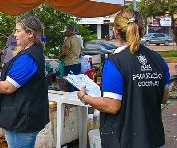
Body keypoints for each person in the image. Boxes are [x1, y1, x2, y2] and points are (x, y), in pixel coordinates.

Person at [77, 9, 170, 148]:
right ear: (143, 31)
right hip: (154, 138)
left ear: (115, 32)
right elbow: (163, 98)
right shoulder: (159, 60)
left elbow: (111, 105)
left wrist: (84, 97)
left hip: (125, 140)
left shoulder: (115, 62)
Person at [0, 14, 49, 148]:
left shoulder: (28, 57)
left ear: (30, 33)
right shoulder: (31, 52)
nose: (15, 35)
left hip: (22, 120)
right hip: (26, 116)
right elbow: (16, 77)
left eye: (18, 31)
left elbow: (8, 87)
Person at [59, 24, 82, 91]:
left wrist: (60, 57)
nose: (65, 33)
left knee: (70, 84)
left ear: (70, 32)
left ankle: (71, 100)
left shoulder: (68, 40)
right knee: (76, 84)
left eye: (66, 31)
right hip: (78, 64)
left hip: (70, 64)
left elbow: (66, 53)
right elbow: (80, 52)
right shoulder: (78, 40)